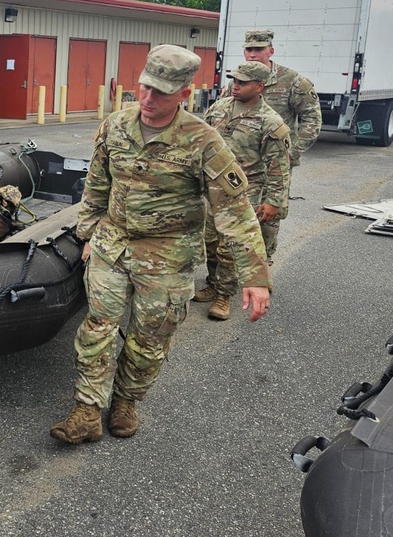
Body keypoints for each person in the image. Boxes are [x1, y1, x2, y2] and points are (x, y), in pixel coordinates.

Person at [50, 45, 271, 445]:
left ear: (185, 94)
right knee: (97, 327)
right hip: (112, 247)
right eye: (145, 88)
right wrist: (87, 234)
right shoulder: (115, 125)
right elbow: (97, 185)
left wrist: (255, 276)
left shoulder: (203, 141)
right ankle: (86, 409)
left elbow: (235, 211)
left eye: (162, 93)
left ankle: (125, 401)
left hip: (168, 257)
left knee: (149, 339)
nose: (149, 100)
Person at [196, 61, 291, 321]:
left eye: (242, 82)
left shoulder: (270, 122)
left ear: (260, 87)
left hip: (244, 191)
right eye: (234, 81)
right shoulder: (219, 107)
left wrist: (273, 202)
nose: (235, 86)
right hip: (212, 189)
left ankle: (224, 294)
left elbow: (278, 167)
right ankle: (213, 282)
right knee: (210, 240)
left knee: (230, 244)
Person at [240, 29, 321, 168]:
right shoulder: (238, 80)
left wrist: (292, 152)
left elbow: (313, 119)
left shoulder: (291, 80)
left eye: (259, 49)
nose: (252, 54)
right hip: (242, 159)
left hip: (276, 161)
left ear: (270, 51)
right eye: (249, 49)